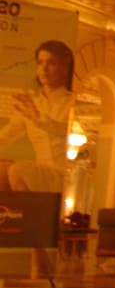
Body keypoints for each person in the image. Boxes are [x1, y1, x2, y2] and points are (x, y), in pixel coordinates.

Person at [0, 40, 74, 192]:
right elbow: (6, 135)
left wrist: (40, 121)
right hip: (41, 174)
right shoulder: (31, 104)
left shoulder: (73, 103)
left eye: (51, 63)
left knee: (17, 170)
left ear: (64, 68)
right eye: (40, 63)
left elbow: (66, 132)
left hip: (64, 175)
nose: (44, 69)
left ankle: (28, 207)